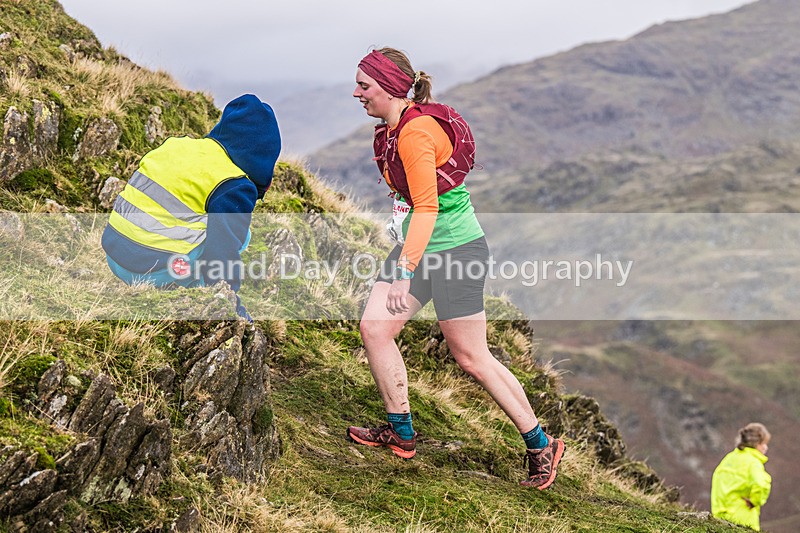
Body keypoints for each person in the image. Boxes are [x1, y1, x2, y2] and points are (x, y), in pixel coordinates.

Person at [346, 47, 565, 490]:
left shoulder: (413, 133)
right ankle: (401, 433)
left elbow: (427, 207)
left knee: (471, 357)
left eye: (364, 86)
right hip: (419, 247)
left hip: (455, 251)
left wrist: (405, 269)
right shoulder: (392, 127)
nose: (357, 93)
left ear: (389, 87)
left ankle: (541, 444)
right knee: (374, 328)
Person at [101, 94, 281, 320]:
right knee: (239, 236)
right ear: (262, 155)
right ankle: (198, 291)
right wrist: (228, 303)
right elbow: (222, 253)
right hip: (149, 271)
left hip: (114, 255)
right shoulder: (234, 183)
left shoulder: (178, 145)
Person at [711, 423, 772, 531]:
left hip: (720, 515)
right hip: (743, 517)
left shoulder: (728, 459)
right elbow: (761, 484)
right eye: (763, 443)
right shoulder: (753, 462)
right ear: (755, 443)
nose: (765, 447)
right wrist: (755, 501)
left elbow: (717, 482)